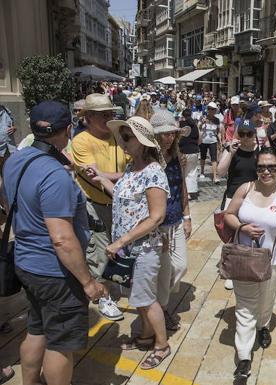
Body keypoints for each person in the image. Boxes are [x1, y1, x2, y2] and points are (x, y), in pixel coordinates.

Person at [1, 101, 107, 385]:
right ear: (69, 129)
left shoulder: (15, 160)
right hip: (57, 272)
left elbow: (7, 200)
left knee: (36, 330)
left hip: (26, 264)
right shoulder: (54, 175)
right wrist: (87, 282)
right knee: (60, 344)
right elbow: (61, 238)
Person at [90, 116, 171, 370]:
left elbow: (156, 216)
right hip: (129, 248)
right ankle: (147, 337)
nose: (122, 141)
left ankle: (162, 344)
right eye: (122, 136)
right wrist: (101, 179)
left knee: (146, 299)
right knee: (140, 297)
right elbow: (123, 201)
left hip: (143, 248)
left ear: (143, 142)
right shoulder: (131, 168)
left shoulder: (153, 171)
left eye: (127, 137)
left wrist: (121, 241)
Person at [224, 147, 276, 380]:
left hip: (273, 261)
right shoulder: (245, 188)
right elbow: (228, 214)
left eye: (272, 167)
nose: (266, 172)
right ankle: (244, 358)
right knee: (245, 308)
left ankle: (263, 326)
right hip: (243, 259)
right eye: (261, 167)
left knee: (266, 302)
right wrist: (242, 226)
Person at [72, 93, 128, 321]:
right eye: (104, 114)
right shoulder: (81, 141)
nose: (110, 118)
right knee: (100, 251)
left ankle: (113, 284)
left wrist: (115, 175)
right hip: (95, 204)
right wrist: (127, 176)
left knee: (118, 247)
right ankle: (103, 298)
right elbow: (95, 177)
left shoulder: (118, 135)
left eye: (111, 113)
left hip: (119, 203)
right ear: (89, 118)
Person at [152, 110, 192, 331]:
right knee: (165, 269)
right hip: (156, 223)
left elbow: (182, 187)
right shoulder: (148, 159)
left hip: (176, 219)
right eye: (164, 134)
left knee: (181, 266)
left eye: (171, 134)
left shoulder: (178, 156)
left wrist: (187, 216)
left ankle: (158, 302)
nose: (168, 138)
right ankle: (161, 309)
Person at [217, 120, 260, 290]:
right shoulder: (232, 150)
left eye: (249, 134)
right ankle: (232, 271)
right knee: (231, 235)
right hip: (232, 197)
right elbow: (220, 172)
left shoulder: (260, 153)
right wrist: (230, 153)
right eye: (241, 134)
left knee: (249, 233)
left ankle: (248, 264)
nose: (245, 138)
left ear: (254, 135)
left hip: (252, 198)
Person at [178, 109, 201, 200]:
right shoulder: (195, 125)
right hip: (194, 151)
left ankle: (185, 192)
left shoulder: (181, 124)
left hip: (184, 151)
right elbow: (199, 138)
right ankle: (191, 191)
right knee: (192, 171)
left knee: (184, 172)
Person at [199, 102, 221, 184]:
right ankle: (202, 172)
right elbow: (199, 128)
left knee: (214, 158)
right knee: (203, 157)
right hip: (204, 140)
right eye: (209, 109)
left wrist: (220, 141)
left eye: (213, 109)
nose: (210, 110)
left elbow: (218, 132)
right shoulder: (202, 117)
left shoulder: (217, 120)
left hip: (213, 140)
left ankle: (215, 176)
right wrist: (202, 123)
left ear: (215, 111)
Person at [0, 104, 16, 174]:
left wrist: (14, 128)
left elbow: (13, 124)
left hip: (9, 147)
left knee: (8, 171)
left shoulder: (5, 109)